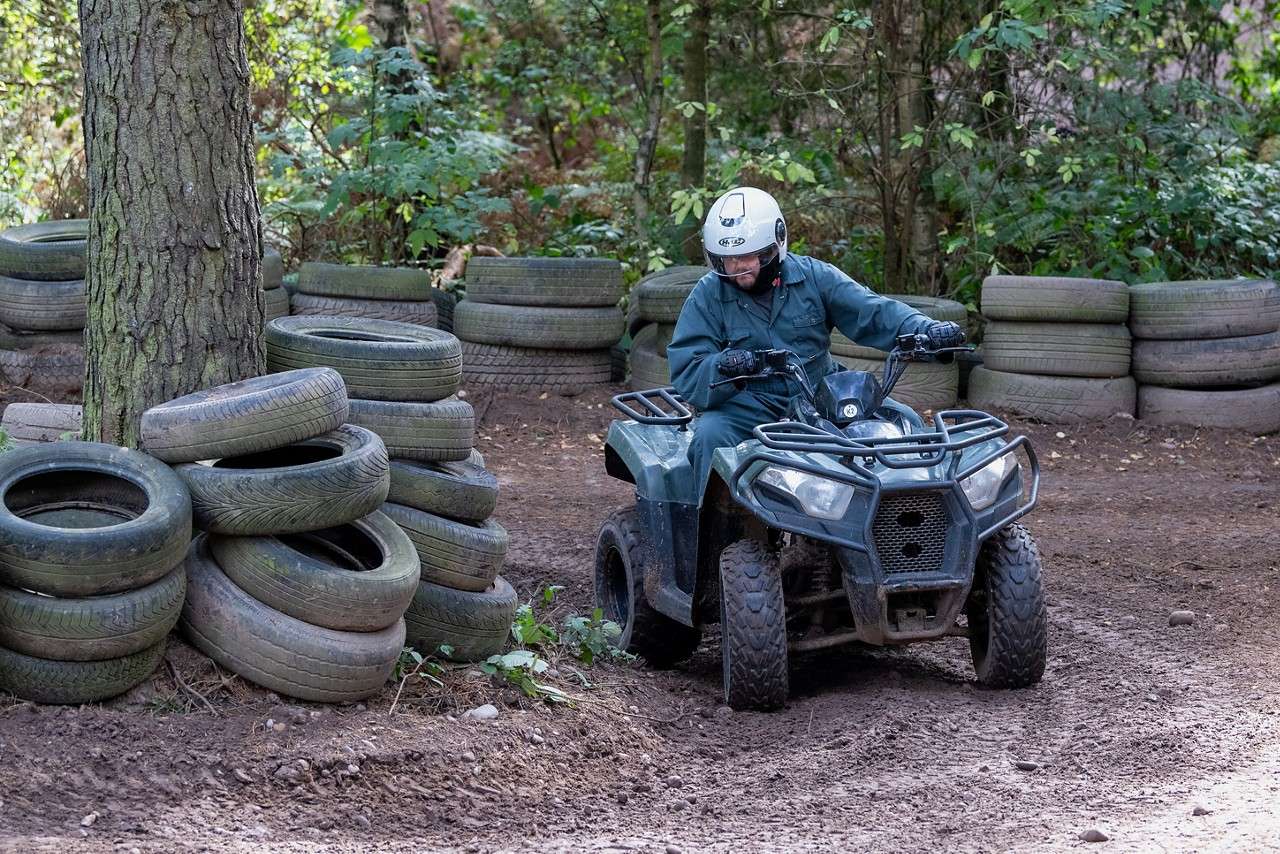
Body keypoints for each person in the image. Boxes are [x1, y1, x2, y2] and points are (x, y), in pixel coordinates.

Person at [667, 186, 965, 493]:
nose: (737, 269)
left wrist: (927, 330)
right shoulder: (708, 294)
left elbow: (874, 311)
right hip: (749, 402)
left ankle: (915, 516)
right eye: (728, 260)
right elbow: (688, 367)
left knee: (904, 421)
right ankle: (717, 534)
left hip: (818, 392)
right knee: (709, 436)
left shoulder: (814, 277)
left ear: (774, 247)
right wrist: (725, 366)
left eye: (747, 257)